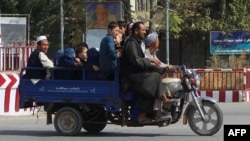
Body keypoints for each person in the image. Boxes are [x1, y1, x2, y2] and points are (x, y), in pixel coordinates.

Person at [120, 22, 176, 123]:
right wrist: (150, 61)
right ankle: (165, 101)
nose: (145, 32)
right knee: (155, 77)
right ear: (136, 31)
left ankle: (142, 116)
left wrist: (158, 67)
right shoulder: (131, 43)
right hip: (131, 76)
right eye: (143, 30)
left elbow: (141, 61)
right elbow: (136, 60)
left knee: (151, 84)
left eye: (145, 30)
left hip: (136, 74)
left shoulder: (137, 42)